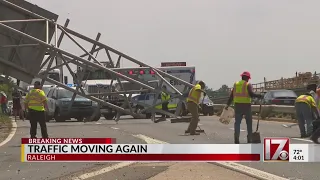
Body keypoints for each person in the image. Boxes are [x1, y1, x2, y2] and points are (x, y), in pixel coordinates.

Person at [225, 71, 263, 144]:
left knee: (237, 123)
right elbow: (251, 94)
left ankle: (236, 138)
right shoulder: (248, 84)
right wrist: (259, 96)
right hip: (246, 106)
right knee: (249, 123)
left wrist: (227, 105)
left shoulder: (236, 84)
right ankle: (249, 139)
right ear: (247, 78)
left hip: (238, 105)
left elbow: (231, 96)